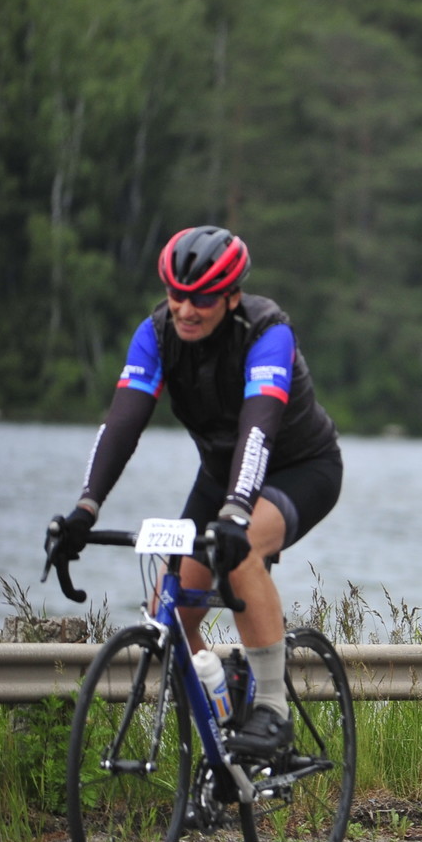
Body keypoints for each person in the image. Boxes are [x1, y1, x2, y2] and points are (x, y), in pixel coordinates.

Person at [44, 226, 343, 763]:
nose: (185, 309)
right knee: (167, 617)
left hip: (301, 469)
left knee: (241, 552)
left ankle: (272, 710)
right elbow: (122, 424)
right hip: (220, 477)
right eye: (175, 294)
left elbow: (258, 431)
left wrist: (236, 514)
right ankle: (224, 709)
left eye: (202, 298)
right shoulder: (156, 334)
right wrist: (86, 508)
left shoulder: (267, 333)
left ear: (232, 297)